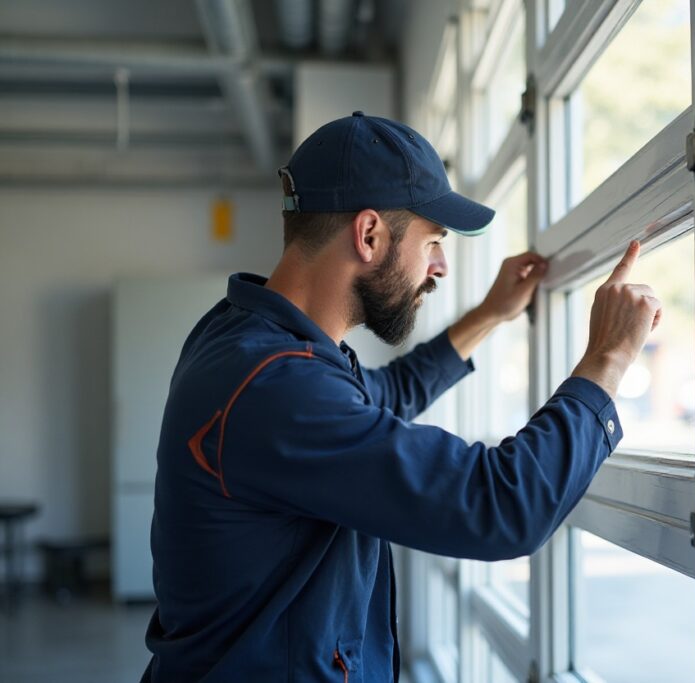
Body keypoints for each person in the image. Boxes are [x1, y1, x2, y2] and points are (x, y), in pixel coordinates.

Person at [142, 112, 661, 682]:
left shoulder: (246, 336)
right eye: (433, 241)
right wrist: (607, 360)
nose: (439, 266)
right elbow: (499, 507)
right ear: (369, 235)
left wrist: (488, 316)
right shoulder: (276, 384)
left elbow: (381, 397)